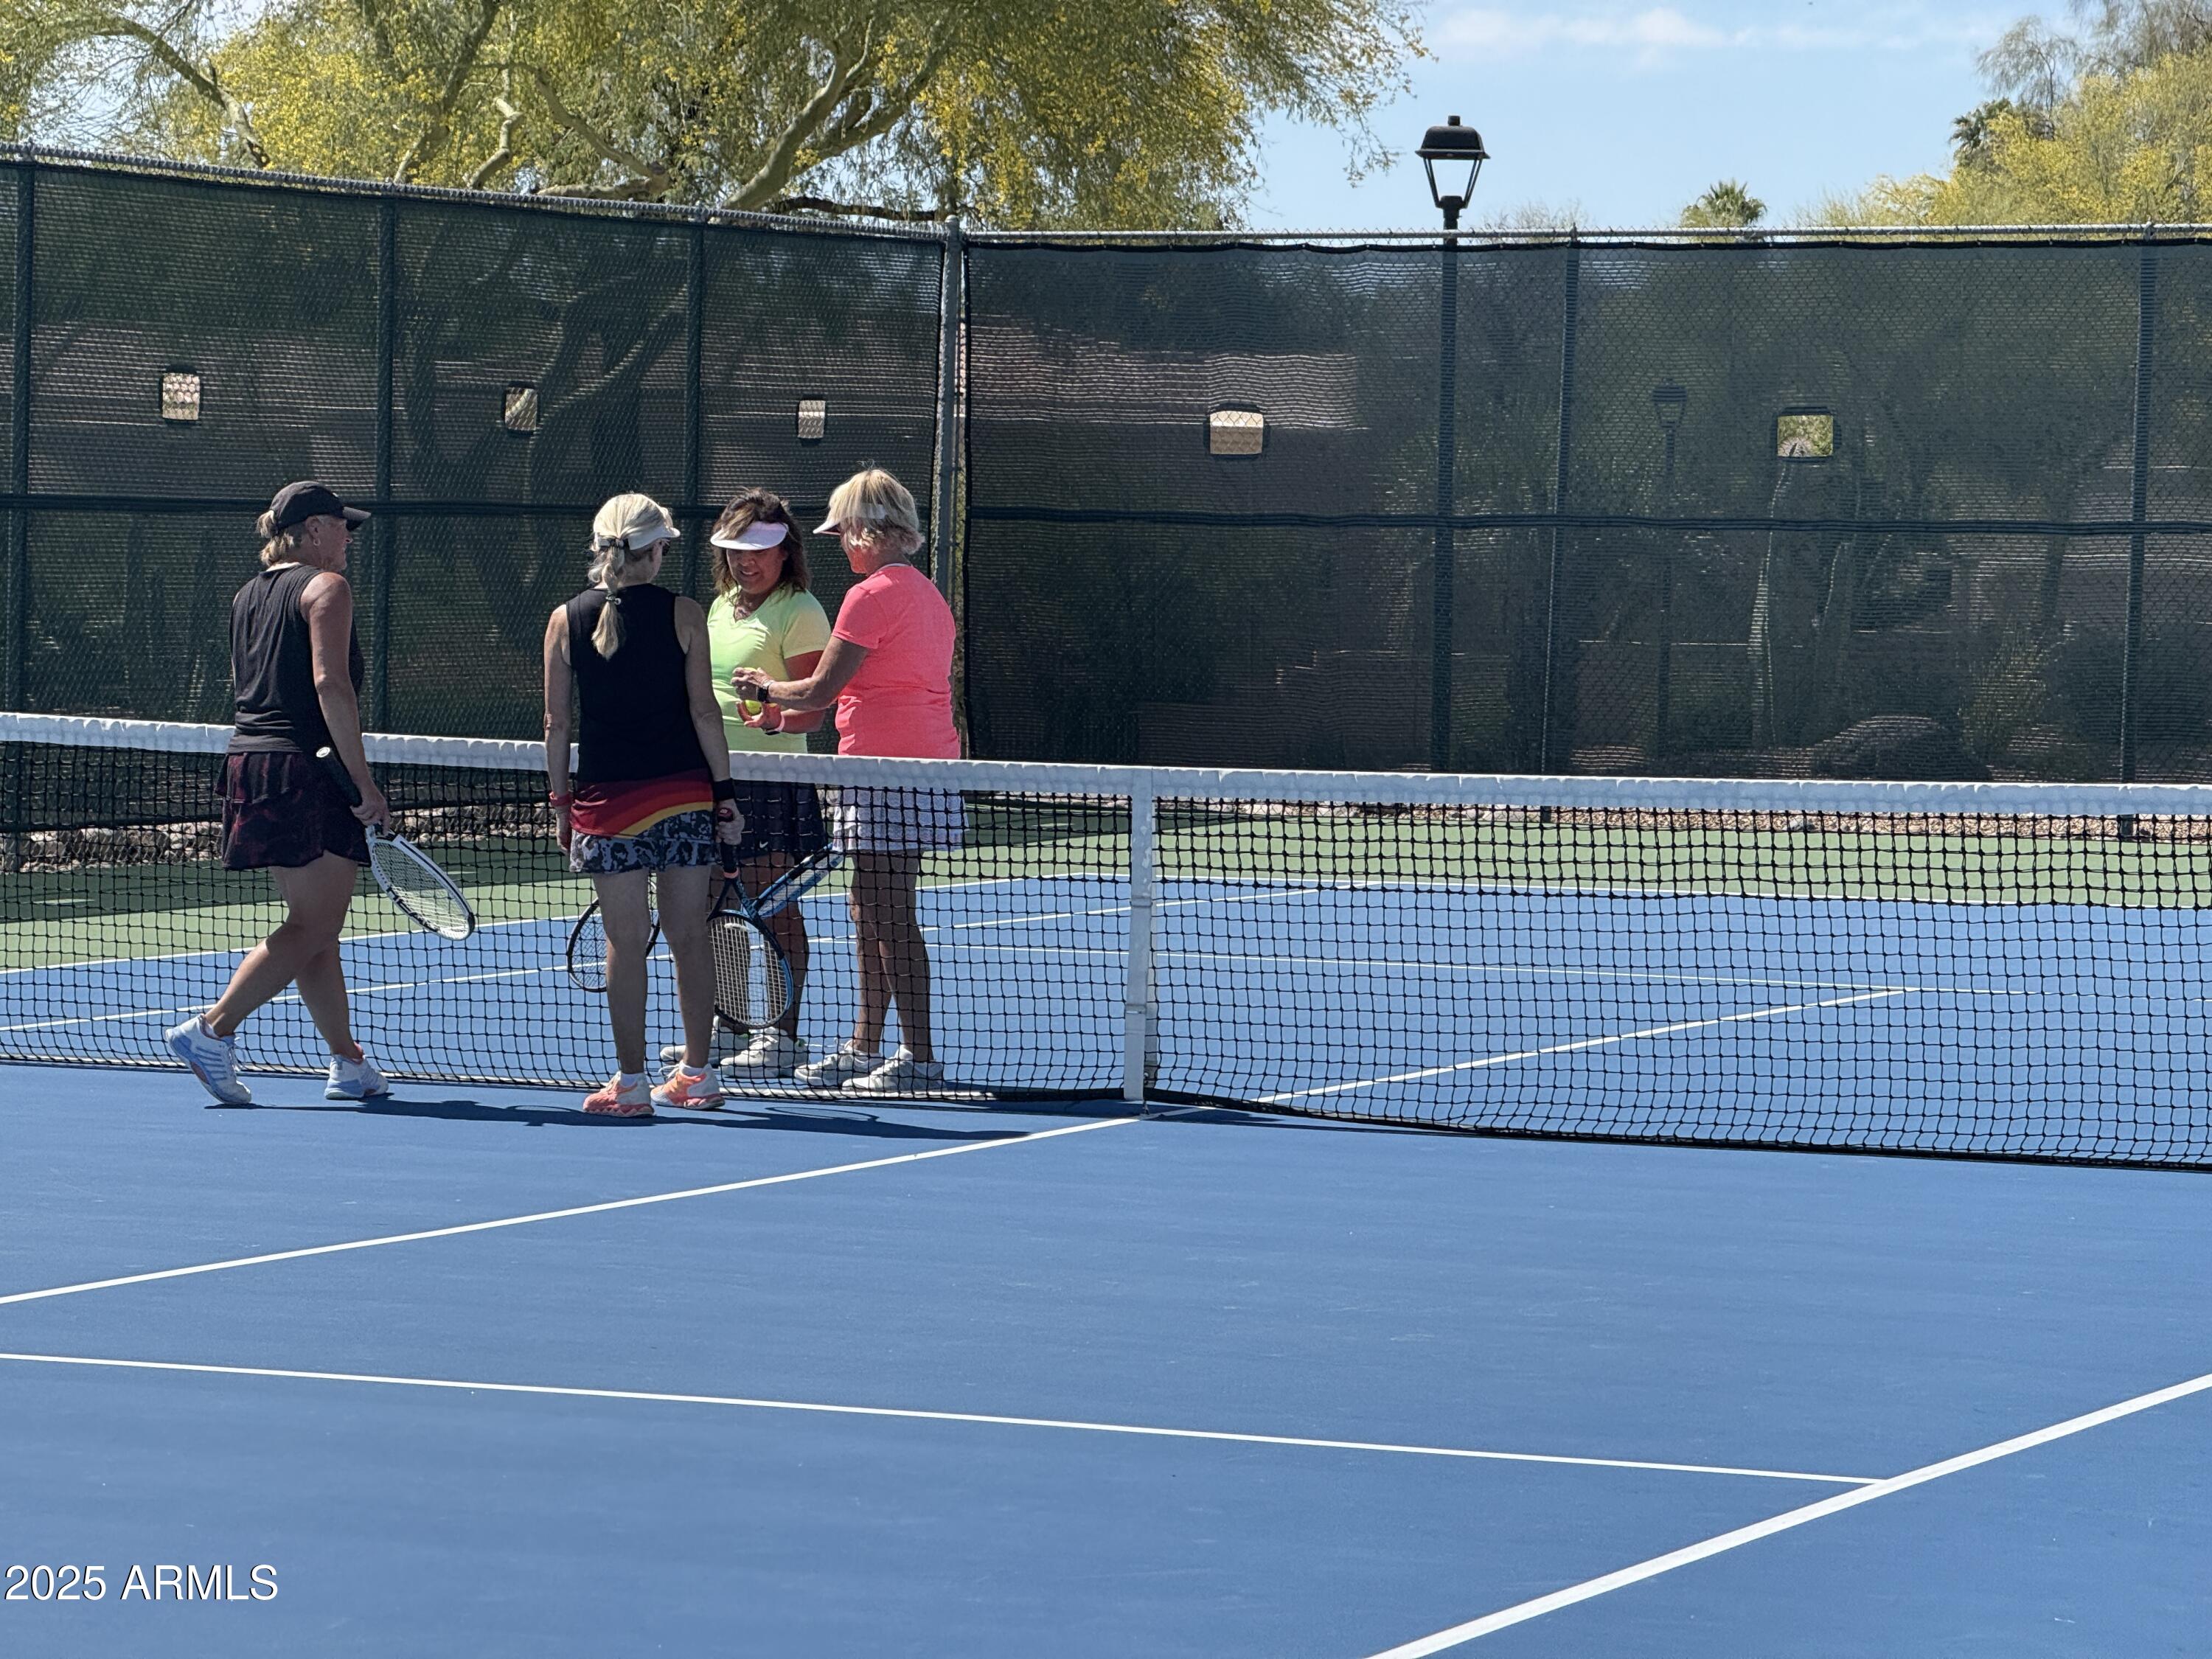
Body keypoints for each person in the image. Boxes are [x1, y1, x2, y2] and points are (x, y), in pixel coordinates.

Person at [730, 468, 959, 1096]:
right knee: (869, 906)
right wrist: (779, 718)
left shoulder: (871, 595)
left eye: (843, 533)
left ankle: (919, 1058)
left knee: (887, 912)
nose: (840, 545)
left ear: (864, 530)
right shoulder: (928, 595)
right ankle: (865, 1045)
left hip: (889, 771)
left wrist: (766, 686)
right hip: (905, 767)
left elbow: (824, 689)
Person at [165, 481, 394, 1105]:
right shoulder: (328, 588)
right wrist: (365, 785)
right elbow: (332, 686)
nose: (349, 537)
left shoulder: (247, 595)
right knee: (315, 924)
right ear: (313, 529)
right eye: (342, 526)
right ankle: (212, 1030)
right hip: (305, 772)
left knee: (314, 928)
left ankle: (348, 1063)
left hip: (251, 766)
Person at [543, 493, 745, 1117]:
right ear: (655, 550)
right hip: (685, 796)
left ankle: (631, 1085)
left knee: (624, 945)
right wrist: (724, 794)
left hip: (607, 807)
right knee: (690, 937)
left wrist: (560, 805)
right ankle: (698, 1074)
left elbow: (556, 724)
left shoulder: (563, 619)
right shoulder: (686, 613)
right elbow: (704, 712)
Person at [657, 489, 831, 1077]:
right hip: (712, 777)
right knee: (713, 906)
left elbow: (814, 709)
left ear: (786, 551)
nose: (746, 561)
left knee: (772, 905)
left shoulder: (799, 608)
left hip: (772, 779)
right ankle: (728, 1026)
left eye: (759, 550)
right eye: (736, 551)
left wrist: (775, 714)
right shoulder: (720, 606)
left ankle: (784, 1036)